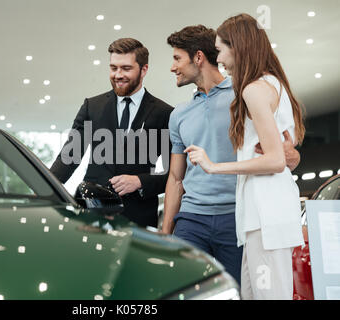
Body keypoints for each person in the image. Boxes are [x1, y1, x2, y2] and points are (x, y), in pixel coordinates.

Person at [161, 25, 300, 287]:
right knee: (183, 291)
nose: (172, 67)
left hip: (236, 216)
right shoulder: (178, 115)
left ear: (198, 57)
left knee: (239, 291)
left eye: (177, 58)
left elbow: (286, 156)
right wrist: (166, 233)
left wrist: (289, 155)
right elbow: (175, 178)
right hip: (192, 219)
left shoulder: (246, 94)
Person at [50, 38, 173, 228]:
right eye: (113, 68)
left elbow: (174, 174)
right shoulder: (92, 106)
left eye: (125, 68)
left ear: (144, 69)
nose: (118, 74)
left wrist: (140, 181)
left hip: (138, 216)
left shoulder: (164, 113)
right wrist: (44, 188)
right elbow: (69, 157)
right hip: (91, 211)